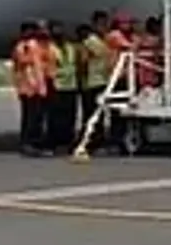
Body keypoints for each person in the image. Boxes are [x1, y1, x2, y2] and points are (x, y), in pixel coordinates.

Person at [11, 21, 53, 157]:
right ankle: (29, 144)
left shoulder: (37, 46)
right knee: (31, 118)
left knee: (37, 117)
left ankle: (35, 143)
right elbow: (24, 63)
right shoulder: (23, 47)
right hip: (29, 88)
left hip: (38, 87)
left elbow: (43, 62)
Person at [77, 18, 111, 152]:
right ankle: (94, 141)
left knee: (93, 114)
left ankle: (93, 140)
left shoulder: (93, 42)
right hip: (97, 82)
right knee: (95, 114)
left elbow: (86, 63)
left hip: (95, 82)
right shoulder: (96, 42)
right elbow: (86, 63)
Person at [46, 21, 80, 155]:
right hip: (57, 86)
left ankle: (67, 141)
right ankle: (55, 142)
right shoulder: (49, 48)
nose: (59, 32)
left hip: (71, 86)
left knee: (70, 116)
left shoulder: (70, 47)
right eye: (56, 29)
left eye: (60, 29)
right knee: (56, 117)